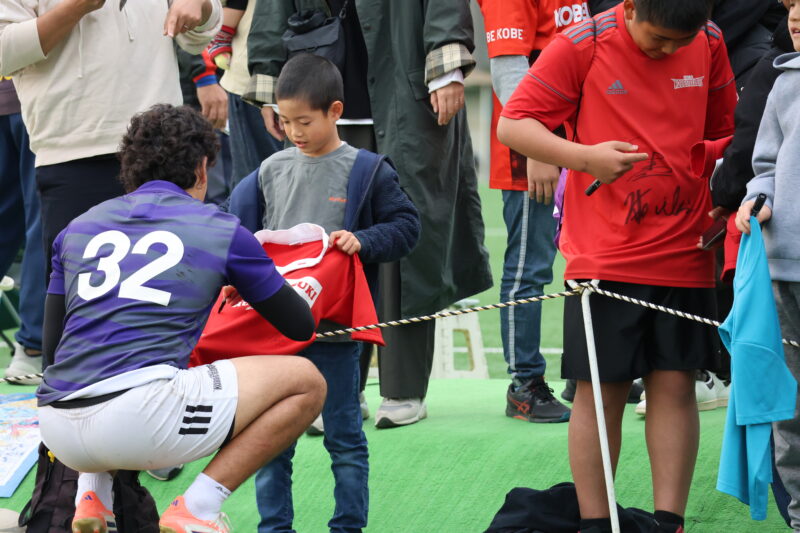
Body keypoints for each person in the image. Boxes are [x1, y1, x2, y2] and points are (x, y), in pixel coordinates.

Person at [497, 1, 737, 532]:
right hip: (606, 255)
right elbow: (513, 125)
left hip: (687, 250)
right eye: (658, 39)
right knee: (600, 389)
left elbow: (726, 129)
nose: (669, 50)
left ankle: (670, 521)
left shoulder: (711, 41)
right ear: (629, 7)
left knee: (675, 385)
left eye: (681, 42)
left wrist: (724, 188)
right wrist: (585, 158)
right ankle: (595, 522)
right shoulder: (582, 45)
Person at [36, 104, 324, 533]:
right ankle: (199, 507)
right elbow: (299, 325)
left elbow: (51, 352)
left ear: (129, 168)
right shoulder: (220, 228)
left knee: (107, 362)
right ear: (201, 167)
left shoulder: (77, 227)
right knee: (307, 381)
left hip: (57, 428)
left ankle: (92, 496)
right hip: (140, 418)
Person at [244, 0, 493, 428]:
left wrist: (448, 64)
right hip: (318, 96)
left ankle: (404, 389)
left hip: (409, 94)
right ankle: (338, 389)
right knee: (324, 247)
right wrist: (270, 82)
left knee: (407, 247)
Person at [228, 53, 420, 533]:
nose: (293, 131)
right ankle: (275, 528)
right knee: (270, 444)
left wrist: (364, 241)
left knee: (345, 440)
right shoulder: (268, 171)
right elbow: (236, 238)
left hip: (336, 335)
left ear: (335, 111)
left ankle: (348, 526)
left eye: (304, 121)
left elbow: (406, 227)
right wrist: (231, 281)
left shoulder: (367, 170)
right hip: (274, 337)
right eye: (285, 120)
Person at [477, 0, 591, 424]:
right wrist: (537, 145)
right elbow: (509, 71)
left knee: (589, 261)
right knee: (530, 268)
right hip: (534, 155)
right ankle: (523, 384)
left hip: (579, 146)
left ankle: (584, 372)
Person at [735, 2, 800, 527]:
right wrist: (757, 198)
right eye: (792, 6)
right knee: (789, 408)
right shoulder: (784, 83)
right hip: (783, 270)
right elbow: (764, 166)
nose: (794, 18)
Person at [0, 77, 45, 385]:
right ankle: (32, 347)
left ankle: (32, 346)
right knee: (43, 220)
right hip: (34, 97)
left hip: (15, 94)